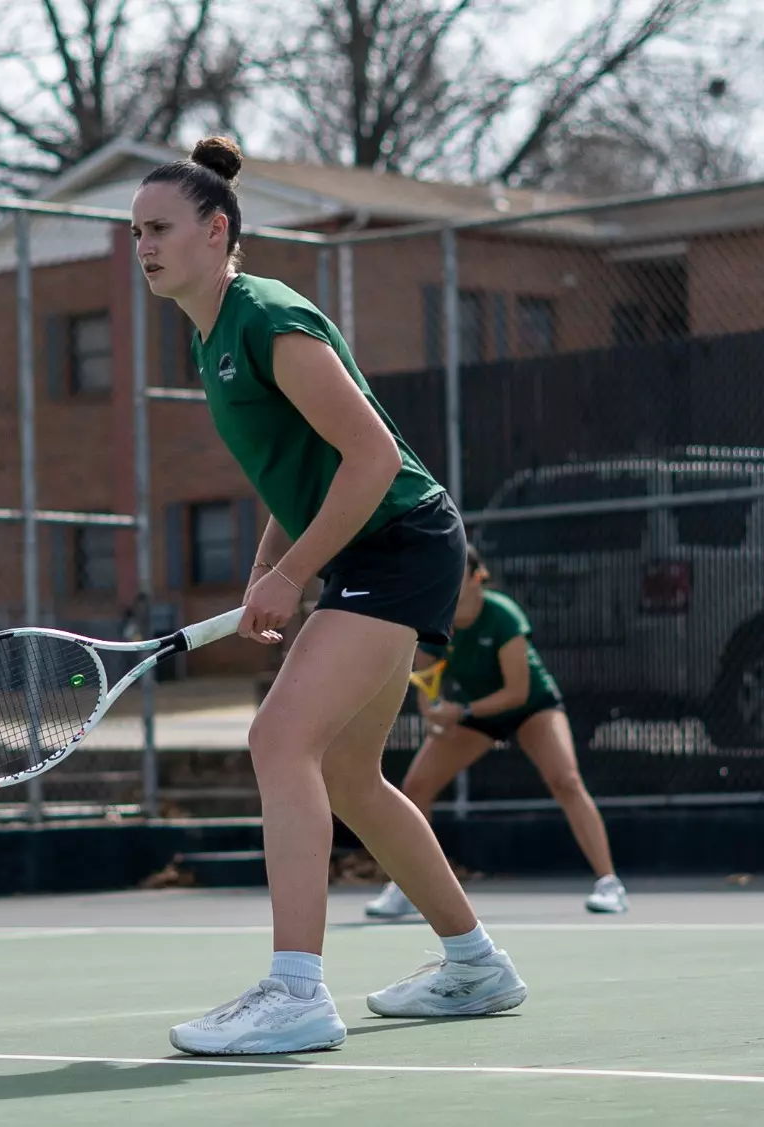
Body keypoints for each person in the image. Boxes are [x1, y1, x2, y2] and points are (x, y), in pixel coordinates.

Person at [134, 137, 527, 1057]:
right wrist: (273, 561)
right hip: (377, 543)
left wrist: (292, 570)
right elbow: (299, 480)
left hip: (401, 541)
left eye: (159, 229)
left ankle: (296, 991)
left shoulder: (267, 315)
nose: (143, 246)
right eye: (136, 232)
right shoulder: (212, 337)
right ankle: (475, 963)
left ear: (215, 230)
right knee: (349, 775)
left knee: (278, 738)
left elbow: (374, 457)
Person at [366, 545, 628, 918]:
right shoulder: (437, 618)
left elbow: (517, 691)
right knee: (416, 786)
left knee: (565, 780)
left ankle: (609, 884)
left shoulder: (503, 615)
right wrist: (431, 713)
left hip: (531, 707)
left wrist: (460, 711)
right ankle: (406, 887)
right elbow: (424, 677)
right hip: (474, 712)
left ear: (477, 577)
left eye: (458, 571)